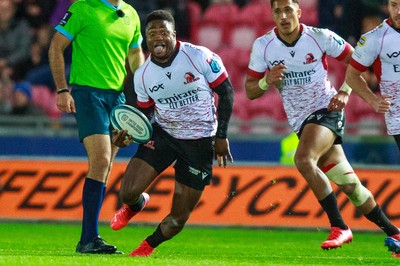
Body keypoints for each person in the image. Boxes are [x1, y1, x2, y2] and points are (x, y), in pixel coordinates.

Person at [245, 0, 400, 255]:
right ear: (272, 15)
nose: (283, 16)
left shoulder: (320, 37)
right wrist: (265, 81)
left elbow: (358, 62)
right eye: (277, 11)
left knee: (303, 158)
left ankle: (339, 226)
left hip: (327, 111)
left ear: (299, 12)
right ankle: (394, 233)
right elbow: (250, 91)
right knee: (351, 187)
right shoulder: (263, 46)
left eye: (287, 10)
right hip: (300, 121)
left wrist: (345, 92)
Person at [109, 9, 234, 257]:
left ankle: (145, 248)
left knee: (177, 219)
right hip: (165, 134)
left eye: (163, 32)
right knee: (127, 193)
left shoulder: (198, 56)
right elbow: (144, 114)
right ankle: (136, 204)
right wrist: (127, 133)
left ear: (174, 35)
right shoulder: (143, 74)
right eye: (151, 33)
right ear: (146, 38)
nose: (157, 38)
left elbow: (227, 93)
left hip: (200, 143)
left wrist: (221, 136)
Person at [48, 0, 145, 254]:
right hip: (88, 93)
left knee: (106, 166)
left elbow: (135, 53)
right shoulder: (82, 8)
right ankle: (88, 238)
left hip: (117, 96)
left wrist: (145, 83)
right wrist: (61, 89)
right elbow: (55, 47)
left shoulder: (131, 14)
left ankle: (92, 237)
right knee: (101, 161)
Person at [345, 0, 400, 257]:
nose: (398, 10)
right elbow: (351, 76)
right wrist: (373, 99)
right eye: (394, 4)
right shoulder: (375, 38)